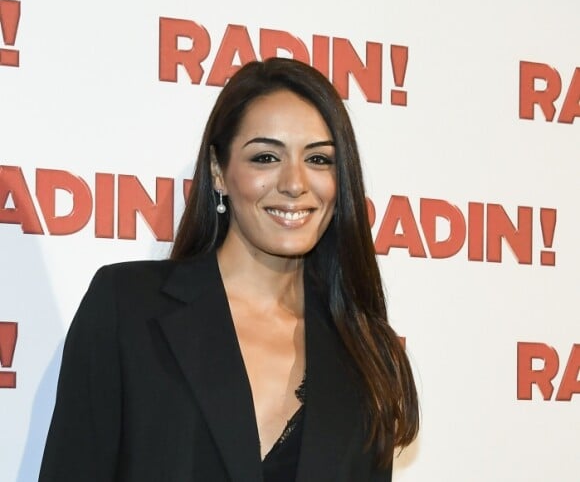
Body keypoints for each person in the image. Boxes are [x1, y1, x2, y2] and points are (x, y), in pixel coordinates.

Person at [39, 57, 419, 482]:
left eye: (318, 160)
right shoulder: (126, 307)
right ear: (219, 172)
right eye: (265, 157)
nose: (295, 183)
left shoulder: (365, 350)